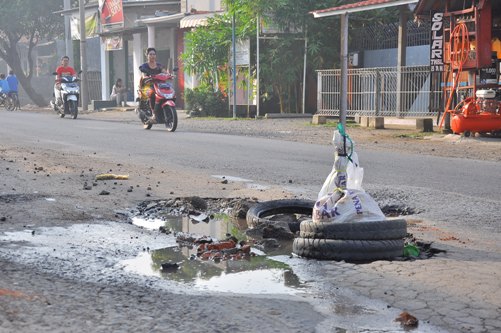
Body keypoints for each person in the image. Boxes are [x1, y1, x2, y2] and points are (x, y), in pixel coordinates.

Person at [139, 47, 165, 124]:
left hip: (158, 84)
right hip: (148, 84)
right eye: (150, 54)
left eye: (154, 54)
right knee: (152, 94)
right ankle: (154, 114)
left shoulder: (159, 65)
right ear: (147, 55)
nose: (152, 56)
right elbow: (143, 75)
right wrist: (146, 77)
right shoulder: (144, 66)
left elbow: (164, 72)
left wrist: (170, 75)